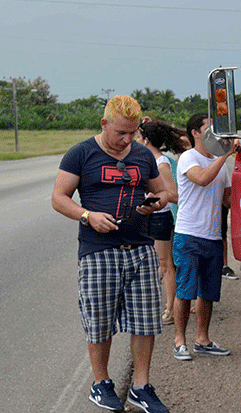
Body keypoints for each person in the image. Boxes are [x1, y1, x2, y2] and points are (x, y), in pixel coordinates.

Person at [51, 95, 171, 413]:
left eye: (132, 132)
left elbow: (162, 193)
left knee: (145, 322)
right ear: (104, 124)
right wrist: (87, 216)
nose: (127, 139)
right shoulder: (81, 153)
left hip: (141, 249)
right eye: (121, 132)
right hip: (98, 251)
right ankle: (101, 383)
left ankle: (141, 388)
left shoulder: (143, 156)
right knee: (100, 323)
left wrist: (155, 201)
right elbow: (59, 197)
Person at [172, 113, 238, 361]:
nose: (215, 134)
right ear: (195, 133)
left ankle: (203, 339)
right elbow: (201, 179)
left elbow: (228, 199)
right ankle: (180, 341)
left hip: (212, 236)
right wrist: (225, 155)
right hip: (188, 235)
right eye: (209, 129)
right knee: (185, 290)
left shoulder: (221, 166)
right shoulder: (189, 158)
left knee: (208, 293)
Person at [137, 119, 188, 325]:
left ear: (147, 140)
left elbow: (175, 194)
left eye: (140, 137)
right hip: (152, 217)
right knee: (158, 264)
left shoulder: (161, 163)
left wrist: (153, 196)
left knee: (166, 265)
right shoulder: (153, 159)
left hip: (161, 217)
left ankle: (170, 308)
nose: (137, 141)